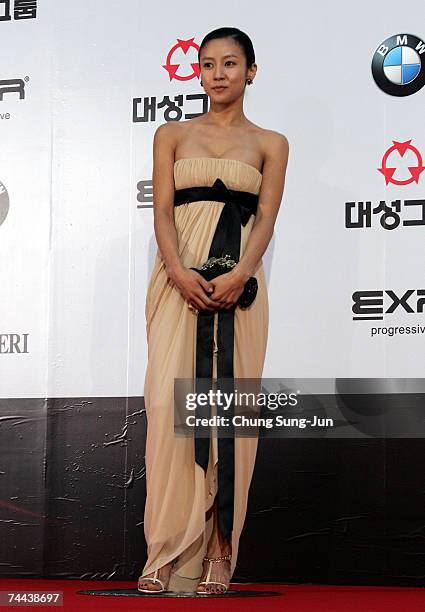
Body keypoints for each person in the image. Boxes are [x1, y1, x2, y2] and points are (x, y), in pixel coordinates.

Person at [137, 26, 289, 595]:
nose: (218, 73)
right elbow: (162, 215)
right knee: (167, 407)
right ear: (197, 73)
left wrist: (242, 273)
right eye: (208, 64)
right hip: (177, 286)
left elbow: (267, 219)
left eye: (230, 63)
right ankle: (166, 551)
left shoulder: (272, 142)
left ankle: (221, 551)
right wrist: (178, 271)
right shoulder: (170, 134)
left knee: (230, 415)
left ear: (251, 72)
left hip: (239, 289)